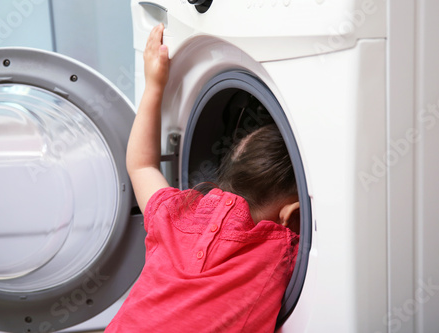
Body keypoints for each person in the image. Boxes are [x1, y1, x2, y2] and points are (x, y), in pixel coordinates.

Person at [105, 24, 300, 333]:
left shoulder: (174, 215)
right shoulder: (280, 248)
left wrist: (154, 85)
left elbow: (141, 166)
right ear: (293, 216)